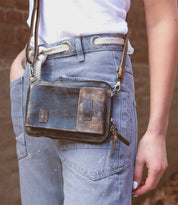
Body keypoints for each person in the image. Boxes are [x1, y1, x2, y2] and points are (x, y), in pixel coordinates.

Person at [9, 0, 178, 204]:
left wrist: (157, 132)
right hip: (35, 78)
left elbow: (163, 16)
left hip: (97, 80)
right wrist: (19, 66)